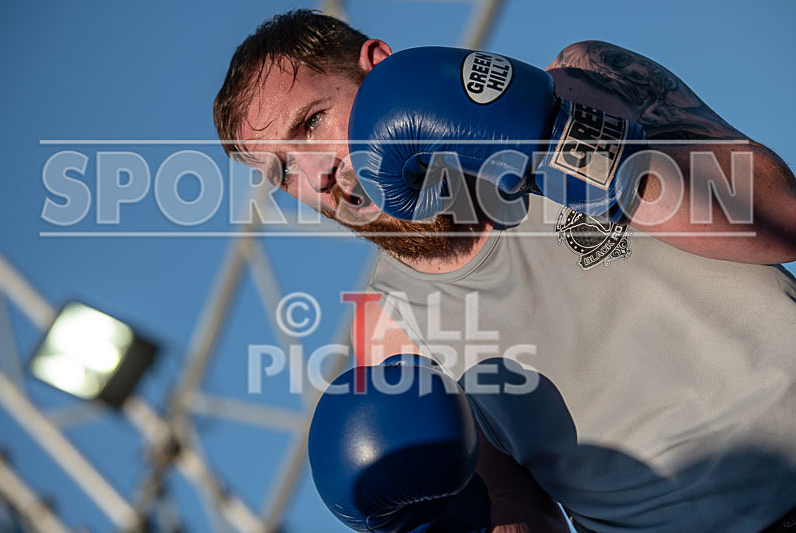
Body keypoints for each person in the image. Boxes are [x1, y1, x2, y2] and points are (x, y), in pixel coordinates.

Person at [213, 9, 796, 532]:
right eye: (282, 171)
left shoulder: (580, 82)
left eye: (312, 122)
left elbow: (782, 216)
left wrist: (554, 141)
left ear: (380, 68)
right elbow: (521, 506)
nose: (313, 175)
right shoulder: (391, 338)